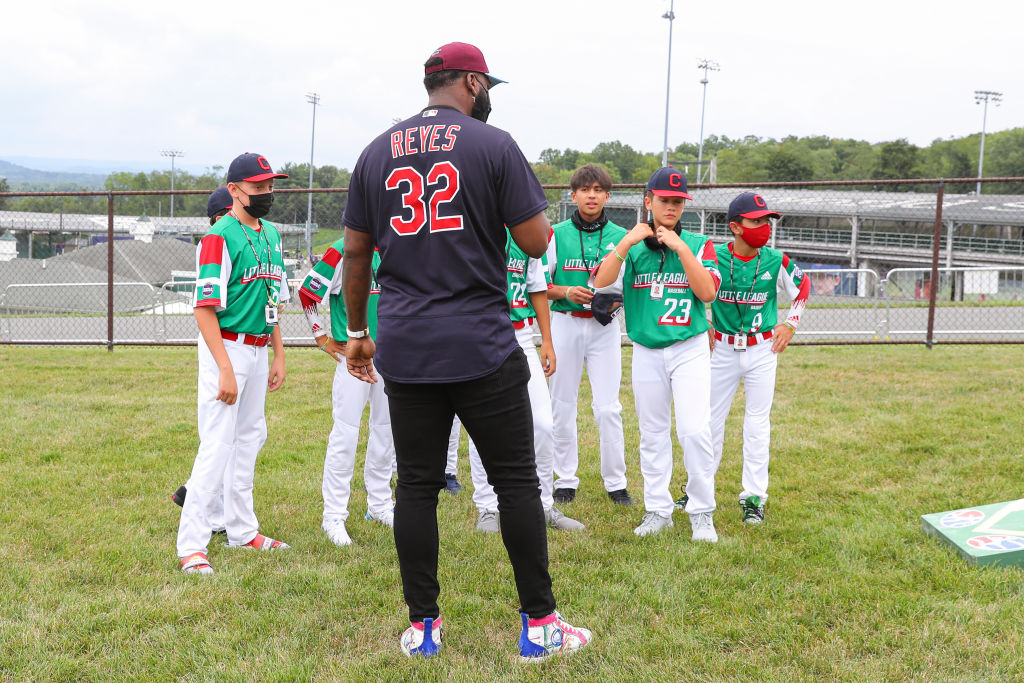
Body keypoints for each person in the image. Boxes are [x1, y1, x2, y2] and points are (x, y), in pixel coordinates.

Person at [340, 42, 590, 660]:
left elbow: (353, 254)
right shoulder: (493, 143)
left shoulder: (376, 150)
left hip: (405, 342)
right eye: (488, 86)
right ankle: (539, 626)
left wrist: (355, 332)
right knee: (515, 486)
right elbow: (534, 242)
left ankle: (423, 627)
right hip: (479, 338)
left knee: (418, 489)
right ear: (473, 83)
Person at [592, 167, 721, 541]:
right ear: (648, 201)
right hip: (647, 349)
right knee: (652, 433)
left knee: (695, 430)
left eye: (678, 201)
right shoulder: (630, 246)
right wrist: (626, 243)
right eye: (664, 200)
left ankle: (701, 512)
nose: (671, 207)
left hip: (689, 347)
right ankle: (658, 510)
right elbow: (599, 283)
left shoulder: (697, 243)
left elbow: (708, 294)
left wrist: (680, 248)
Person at [177, 154, 291, 575]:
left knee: (249, 440)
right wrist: (224, 366)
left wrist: (278, 351)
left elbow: (272, 300)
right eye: (258, 187)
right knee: (218, 443)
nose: (266, 194)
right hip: (226, 347)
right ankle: (192, 544)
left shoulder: (273, 235)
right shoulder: (219, 236)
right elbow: (204, 308)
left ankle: (243, 530)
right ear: (235, 190)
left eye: (270, 186)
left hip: (258, 348)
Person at [675, 192, 809, 524]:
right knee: (708, 424)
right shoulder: (713, 254)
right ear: (735, 226)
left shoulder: (776, 259)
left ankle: (753, 497)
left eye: (767, 220)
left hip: (763, 349)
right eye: (756, 221)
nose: (764, 226)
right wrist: (701, 321)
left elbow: (803, 287)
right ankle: (698, 490)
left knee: (757, 424)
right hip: (721, 349)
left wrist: (790, 324)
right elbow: (689, 286)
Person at [462, 230, 584, 534]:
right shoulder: (469, 228)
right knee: (483, 426)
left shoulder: (524, 234)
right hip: (478, 334)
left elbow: (537, 289)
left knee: (543, 424)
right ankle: (488, 506)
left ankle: (542, 504)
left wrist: (547, 341)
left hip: (520, 336)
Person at [298, 236, 396, 547]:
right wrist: (322, 338)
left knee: (386, 431)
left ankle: (380, 505)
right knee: (346, 433)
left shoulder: (397, 243)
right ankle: (334, 515)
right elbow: (308, 292)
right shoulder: (344, 248)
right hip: (354, 356)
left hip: (394, 354)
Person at [546, 164, 632, 506]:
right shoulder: (556, 234)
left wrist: (615, 301)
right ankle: (565, 479)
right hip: (565, 322)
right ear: (573, 195)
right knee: (561, 405)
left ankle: (616, 483)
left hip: (604, 328)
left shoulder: (623, 236)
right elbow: (538, 284)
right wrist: (566, 291)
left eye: (598, 189)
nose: (591, 195)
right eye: (585, 189)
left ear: (608, 195)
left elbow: (630, 286)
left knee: (608, 408)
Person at [171, 185, 234, 530]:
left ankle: (198, 494)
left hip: (232, 343)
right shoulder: (214, 240)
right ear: (219, 217)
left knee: (231, 432)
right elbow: (206, 304)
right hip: (218, 340)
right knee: (218, 430)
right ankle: (206, 509)